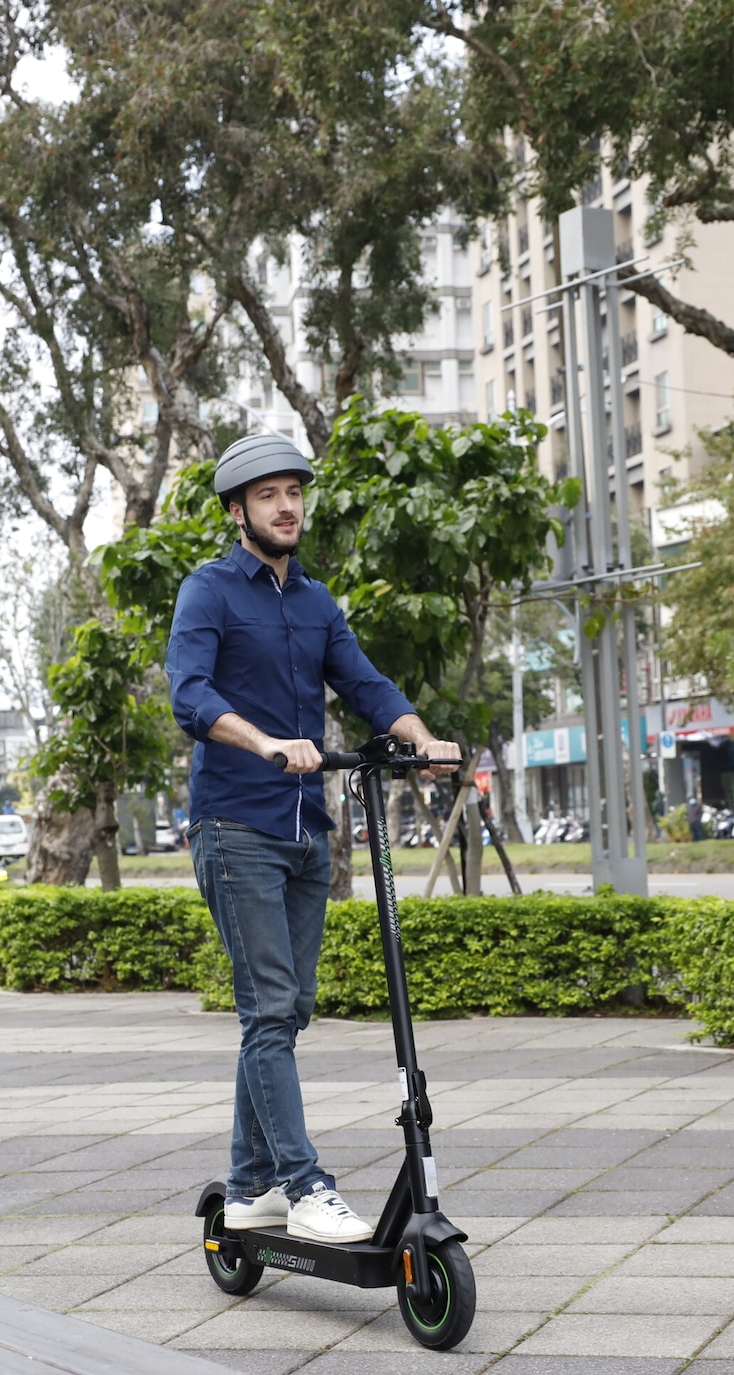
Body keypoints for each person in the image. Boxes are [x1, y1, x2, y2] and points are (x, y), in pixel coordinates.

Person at [168, 433, 460, 1245]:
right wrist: (261, 741)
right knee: (267, 1010)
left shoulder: (317, 601)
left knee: (286, 1013)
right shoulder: (209, 592)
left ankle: (252, 1183)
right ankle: (304, 1184)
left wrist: (420, 738)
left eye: (294, 491)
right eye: (267, 496)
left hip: (306, 833)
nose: (287, 505)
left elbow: (362, 680)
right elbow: (189, 694)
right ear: (237, 512)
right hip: (237, 826)